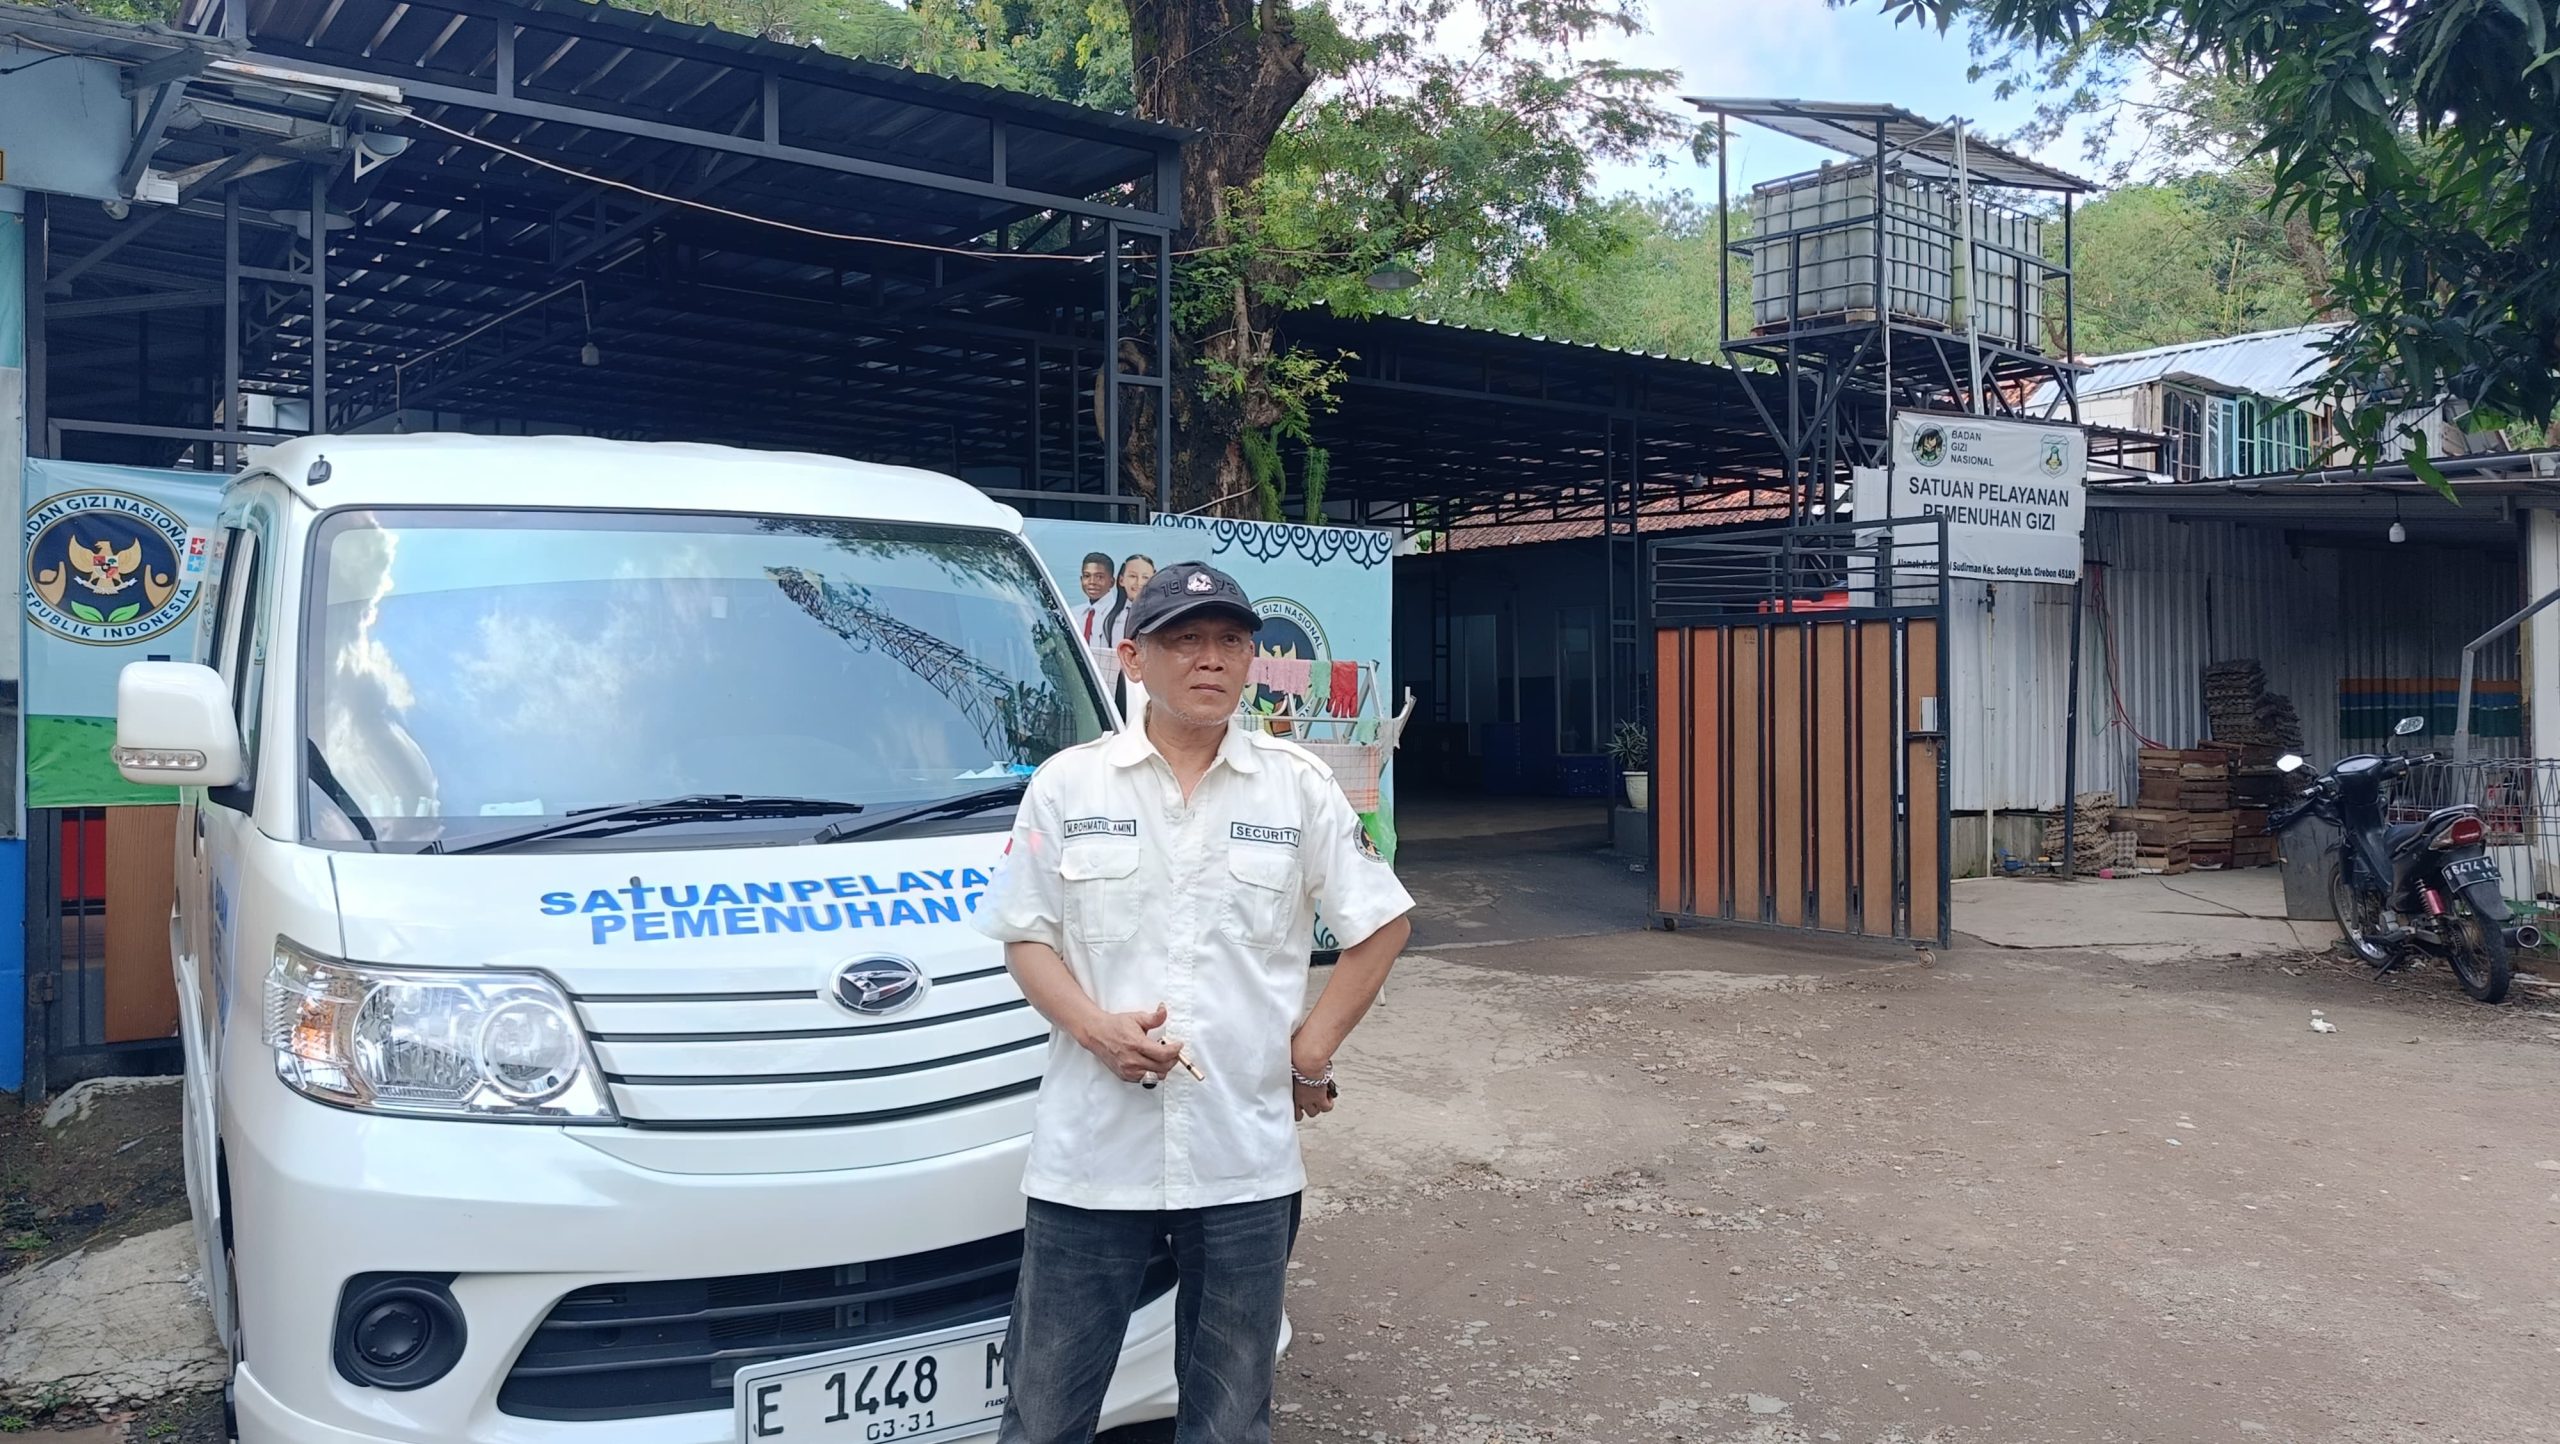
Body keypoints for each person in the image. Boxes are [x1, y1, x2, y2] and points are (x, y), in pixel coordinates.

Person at [976, 561, 1414, 1444]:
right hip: (1091, 1155)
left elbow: (1381, 923)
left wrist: (1309, 1052)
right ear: (1134, 658)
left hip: (1241, 1156)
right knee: (1046, 1410)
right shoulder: (1069, 785)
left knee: (1228, 1416)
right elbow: (1025, 934)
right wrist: (1093, 1028)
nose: (1210, 658)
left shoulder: (1296, 785)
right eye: (1185, 640)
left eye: (1230, 641)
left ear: (1251, 661)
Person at [1103, 554, 1155, 715]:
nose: (1139, 582)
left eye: (1145, 577)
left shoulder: (1157, 618)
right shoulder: (1108, 616)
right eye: (1132, 576)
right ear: (1121, 580)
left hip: (1145, 688)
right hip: (1112, 686)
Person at [1072, 552, 1116, 657]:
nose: (1092, 582)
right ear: (1081, 579)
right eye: (1087, 576)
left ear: (1112, 582)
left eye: (1099, 577)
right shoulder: (1073, 614)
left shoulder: (1119, 614)